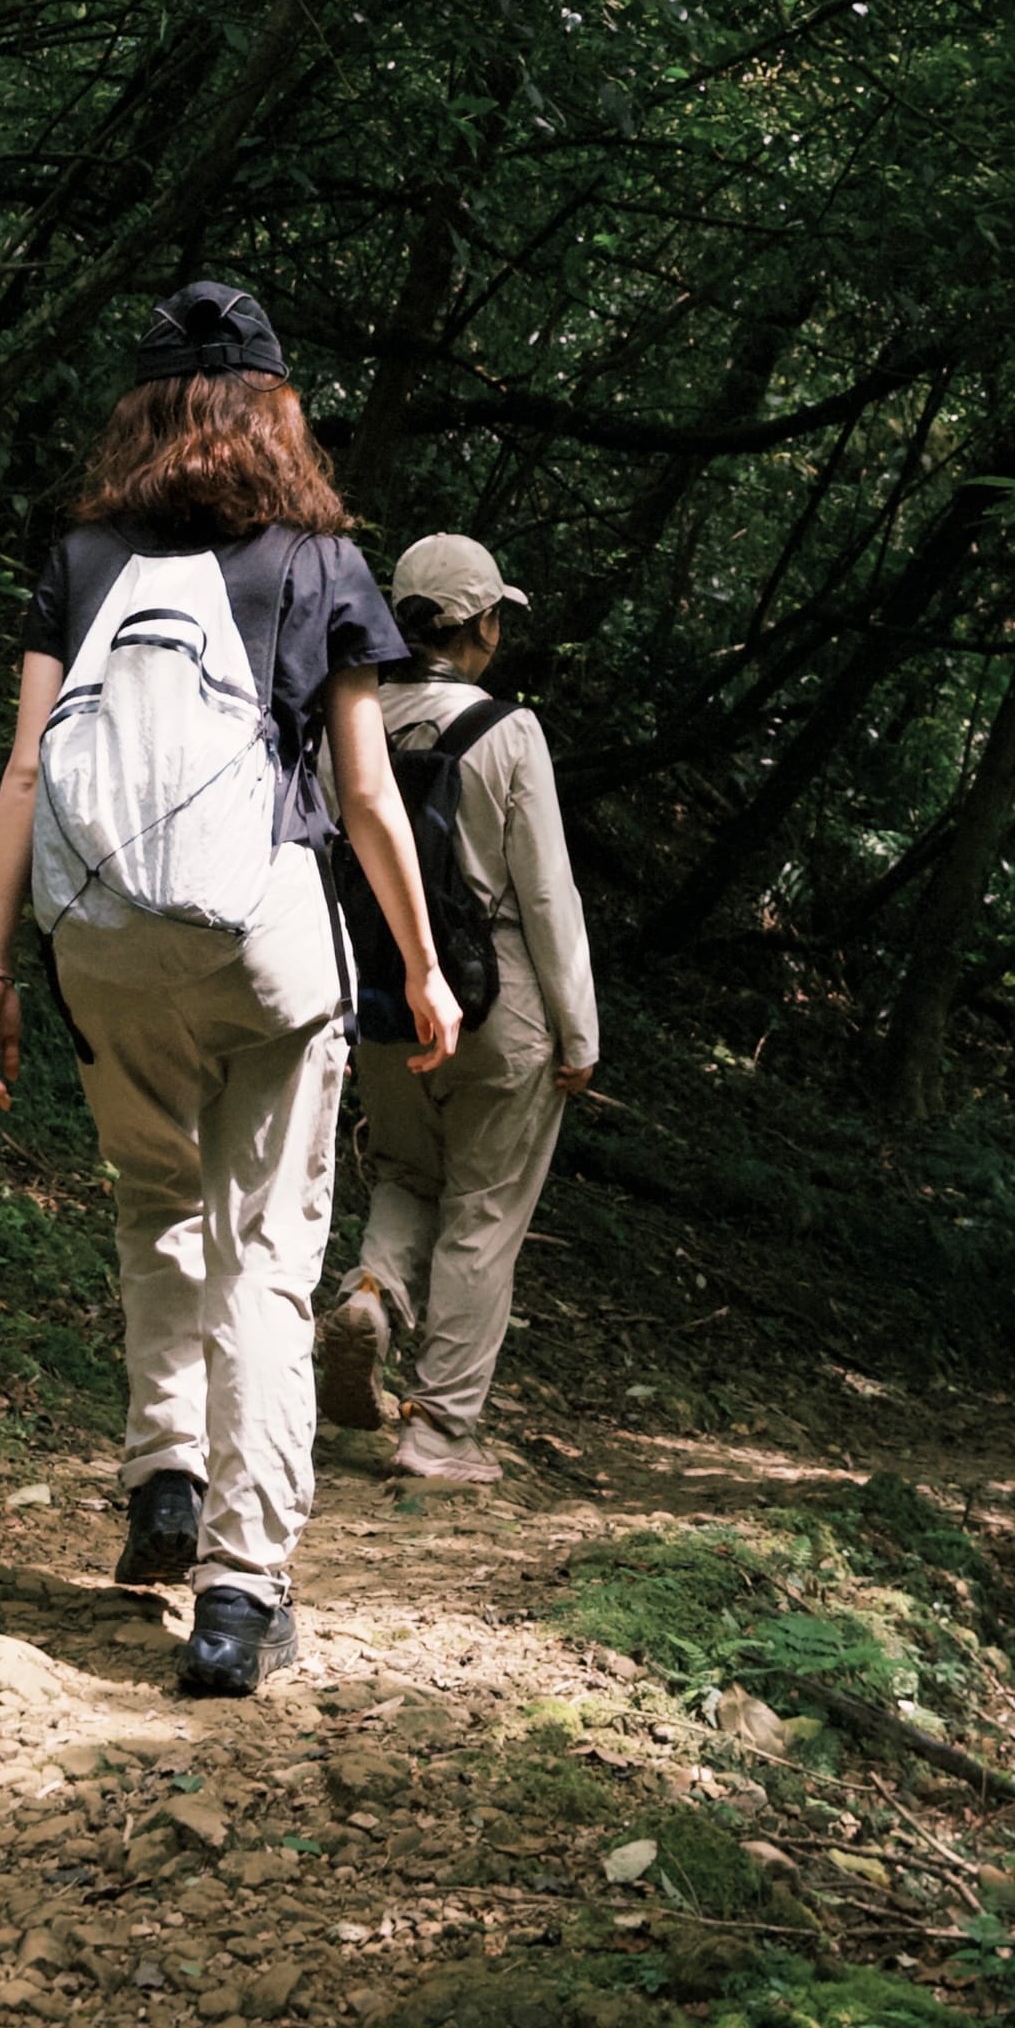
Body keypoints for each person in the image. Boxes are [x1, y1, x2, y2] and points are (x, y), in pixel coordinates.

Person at [0, 284, 460, 1696]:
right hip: (262, 946)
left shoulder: (81, 558)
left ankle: (163, 1478)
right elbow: (365, 794)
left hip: (100, 941)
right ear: (275, 410)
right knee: (266, 1250)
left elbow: (25, 770)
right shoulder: (318, 562)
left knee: (153, 1206)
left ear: (141, 413)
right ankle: (241, 1590)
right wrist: (423, 967)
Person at [318, 534, 597, 1483]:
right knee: (484, 1208)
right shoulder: (508, 732)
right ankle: (438, 1430)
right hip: (498, 1005)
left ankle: (371, 1296)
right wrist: (579, 1032)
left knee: (405, 1172)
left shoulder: (348, 723)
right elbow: (547, 893)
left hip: (386, 995)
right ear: (484, 625)